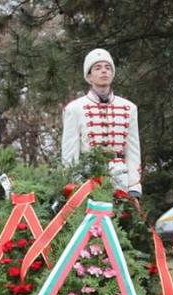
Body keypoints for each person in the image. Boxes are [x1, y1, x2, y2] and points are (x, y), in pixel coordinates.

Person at [62, 48, 142, 197]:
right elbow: (70, 154)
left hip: (121, 178)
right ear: (89, 76)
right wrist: (75, 184)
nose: (104, 71)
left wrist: (134, 185)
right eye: (97, 68)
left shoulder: (129, 108)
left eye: (107, 67)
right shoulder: (74, 109)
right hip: (88, 177)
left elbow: (133, 150)